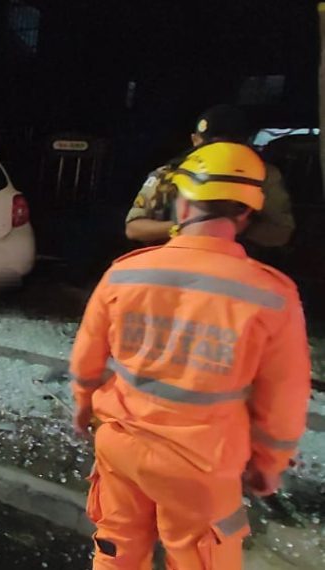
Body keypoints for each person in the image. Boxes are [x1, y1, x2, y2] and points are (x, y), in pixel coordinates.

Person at [70, 142, 311, 569]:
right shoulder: (272, 295)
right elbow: (285, 394)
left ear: (183, 204)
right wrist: (269, 463)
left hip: (120, 445)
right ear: (246, 214)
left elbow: (87, 358)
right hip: (203, 463)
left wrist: (84, 407)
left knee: (116, 550)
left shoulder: (125, 271)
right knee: (201, 559)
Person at [125, 104, 295, 251]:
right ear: (195, 141)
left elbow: (281, 233)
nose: (218, 152)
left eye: (228, 144)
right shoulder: (170, 173)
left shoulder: (264, 176)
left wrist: (234, 226)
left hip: (236, 264)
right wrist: (187, 226)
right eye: (211, 145)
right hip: (173, 260)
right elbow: (134, 229)